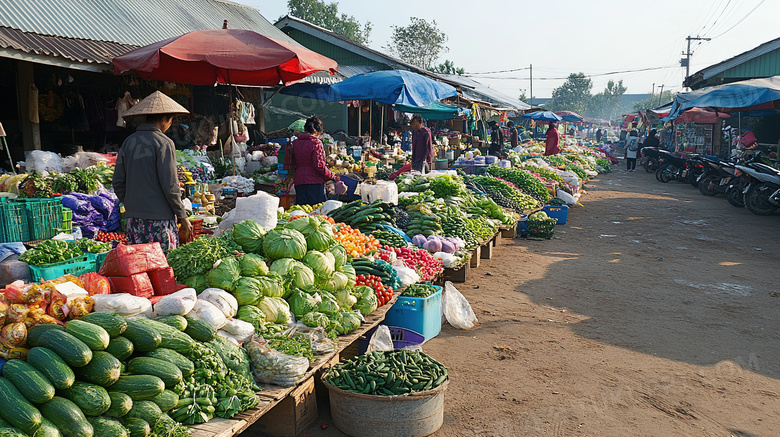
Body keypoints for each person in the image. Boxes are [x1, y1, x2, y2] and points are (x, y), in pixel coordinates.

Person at [113, 91, 191, 252]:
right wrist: (182, 215)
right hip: (159, 221)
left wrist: (131, 204)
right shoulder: (164, 143)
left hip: (134, 221)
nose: (170, 124)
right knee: (161, 269)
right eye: (171, 120)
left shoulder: (128, 142)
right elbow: (170, 186)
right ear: (163, 119)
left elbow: (118, 182)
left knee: (139, 269)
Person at [291, 116, 337, 205]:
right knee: (318, 211)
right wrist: (331, 175)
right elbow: (319, 165)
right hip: (314, 182)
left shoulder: (295, 143)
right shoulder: (316, 143)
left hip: (299, 181)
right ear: (318, 131)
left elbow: (292, 162)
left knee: (302, 211)